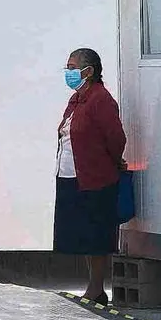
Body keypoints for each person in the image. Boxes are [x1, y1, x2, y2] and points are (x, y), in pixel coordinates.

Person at [49, 48, 126, 304]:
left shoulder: (100, 99)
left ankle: (96, 287)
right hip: (71, 175)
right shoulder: (76, 99)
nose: (68, 72)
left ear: (88, 71)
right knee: (81, 232)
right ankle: (92, 285)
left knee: (96, 233)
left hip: (95, 176)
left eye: (72, 67)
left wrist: (113, 162)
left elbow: (116, 138)